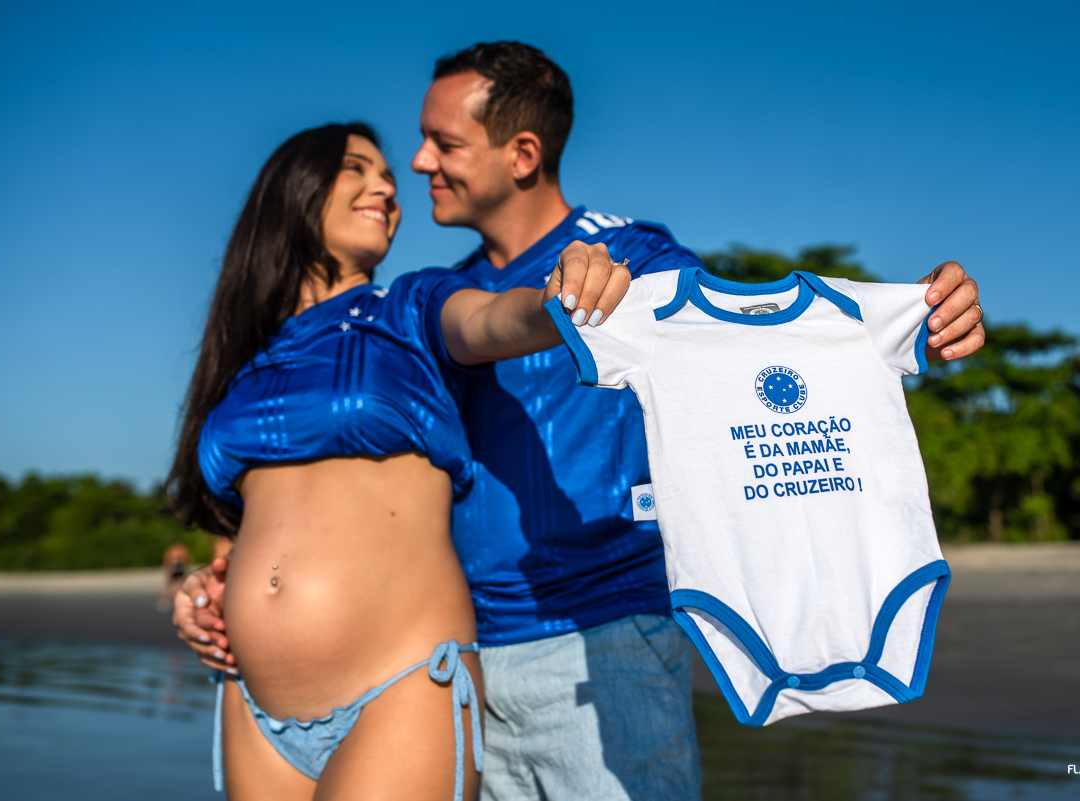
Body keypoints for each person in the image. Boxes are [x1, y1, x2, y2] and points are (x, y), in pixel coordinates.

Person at [176, 43, 985, 800]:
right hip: (473, 651)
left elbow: (750, 341)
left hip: (598, 642)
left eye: (441, 145)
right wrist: (222, 582)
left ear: (521, 155)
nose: (419, 165)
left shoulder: (627, 260)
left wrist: (911, 318)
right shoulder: (425, 302)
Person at [166, 120, 629, 800]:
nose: (386, 185)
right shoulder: (242, 365)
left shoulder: (411, 306)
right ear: (292, 193)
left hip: (402, 685)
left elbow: (490, 320)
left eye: (386, 175)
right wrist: (200, 597)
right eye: (356, 168)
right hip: (251, 703)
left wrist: (557, 295)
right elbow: (247, 529)